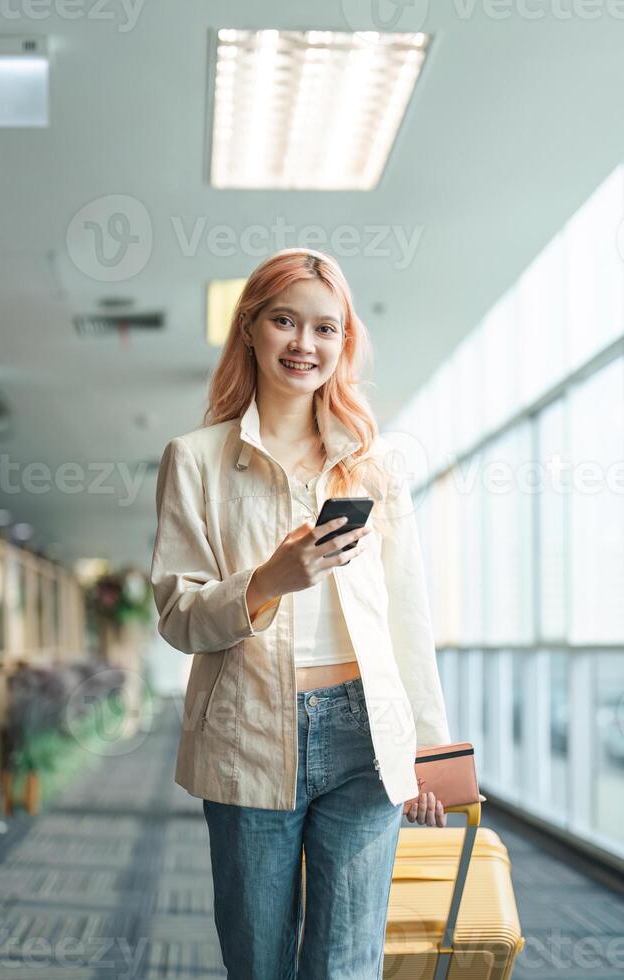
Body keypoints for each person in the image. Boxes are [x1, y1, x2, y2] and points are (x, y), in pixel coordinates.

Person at [150, 248, 451, 979]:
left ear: (344, 342)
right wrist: (268, 581)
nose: (304, 344)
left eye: (326, 328)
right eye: (285, 321)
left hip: (364, 734)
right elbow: (179, 615)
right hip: (249, 729)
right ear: (249, 327)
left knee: (346, 964)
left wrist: (433, 750)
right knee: (258, 963)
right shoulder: (195, 460)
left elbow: (408, 615)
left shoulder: (373, 467)